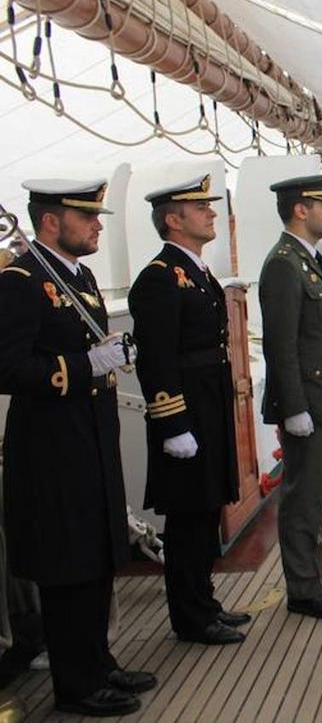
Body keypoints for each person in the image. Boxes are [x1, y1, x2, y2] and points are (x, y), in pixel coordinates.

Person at [0, 179, 154, 717]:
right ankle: (76, 684)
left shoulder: (78, 277)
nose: (96, 225)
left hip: (92, 440)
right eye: (86, 217)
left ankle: (98, 661)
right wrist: (83, 366)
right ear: (50, 222)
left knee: (96, 556)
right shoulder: (21, 282)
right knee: (68, 566)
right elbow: (8, 368)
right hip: (52, 450)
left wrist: (108, 354)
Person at [128, 174, 247, 646]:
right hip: (185, 414)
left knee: (206, 512)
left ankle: (205, 601)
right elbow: (156, 359)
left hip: (208, 407)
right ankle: (190, 617)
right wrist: (173, 422)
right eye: (200, 208)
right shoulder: (159, 278)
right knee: (187, 519)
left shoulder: (196, 272)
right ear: (173, 221)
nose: (211, 213)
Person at [259, 174, 322, 619]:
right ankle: (304, 588)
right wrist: (294, 408)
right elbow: (280, 345)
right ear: (301, 210)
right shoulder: (284, 263)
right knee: (302, 496)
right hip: (309, 405)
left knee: (315, 494)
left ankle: (316, 575)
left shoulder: (305, 259)